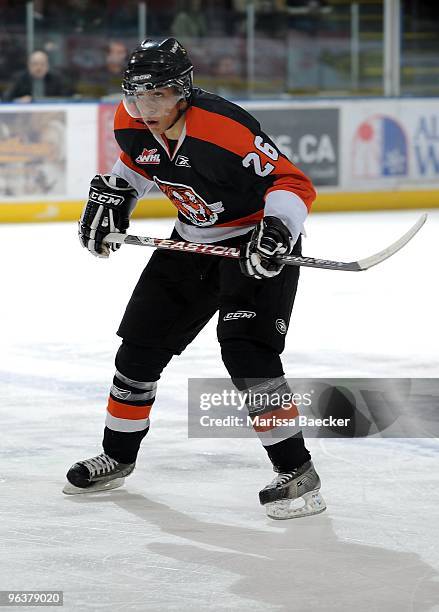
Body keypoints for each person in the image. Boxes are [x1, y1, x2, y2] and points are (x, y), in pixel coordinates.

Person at [64, 38, 326, 520]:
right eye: (136, 95)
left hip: (253, 240)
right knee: (139, 349)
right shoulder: (131, 121)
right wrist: (117, 198)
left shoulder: (224, 129)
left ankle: (297, 471)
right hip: (189, 240)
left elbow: (293, 183)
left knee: (246, 351)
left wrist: (277, 233)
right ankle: (118, 457)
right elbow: (138, 165)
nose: (145, 109)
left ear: (182, 91)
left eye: (157, 96)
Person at [3, 50, 73, 102]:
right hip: (26, 113)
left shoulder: (55, 79)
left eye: (42, 64)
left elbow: (67, 97)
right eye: (35, 64)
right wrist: (18, 100)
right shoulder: (20, 78)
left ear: (47, 66)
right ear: (29, 65)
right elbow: (6, 97)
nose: (39, 68)